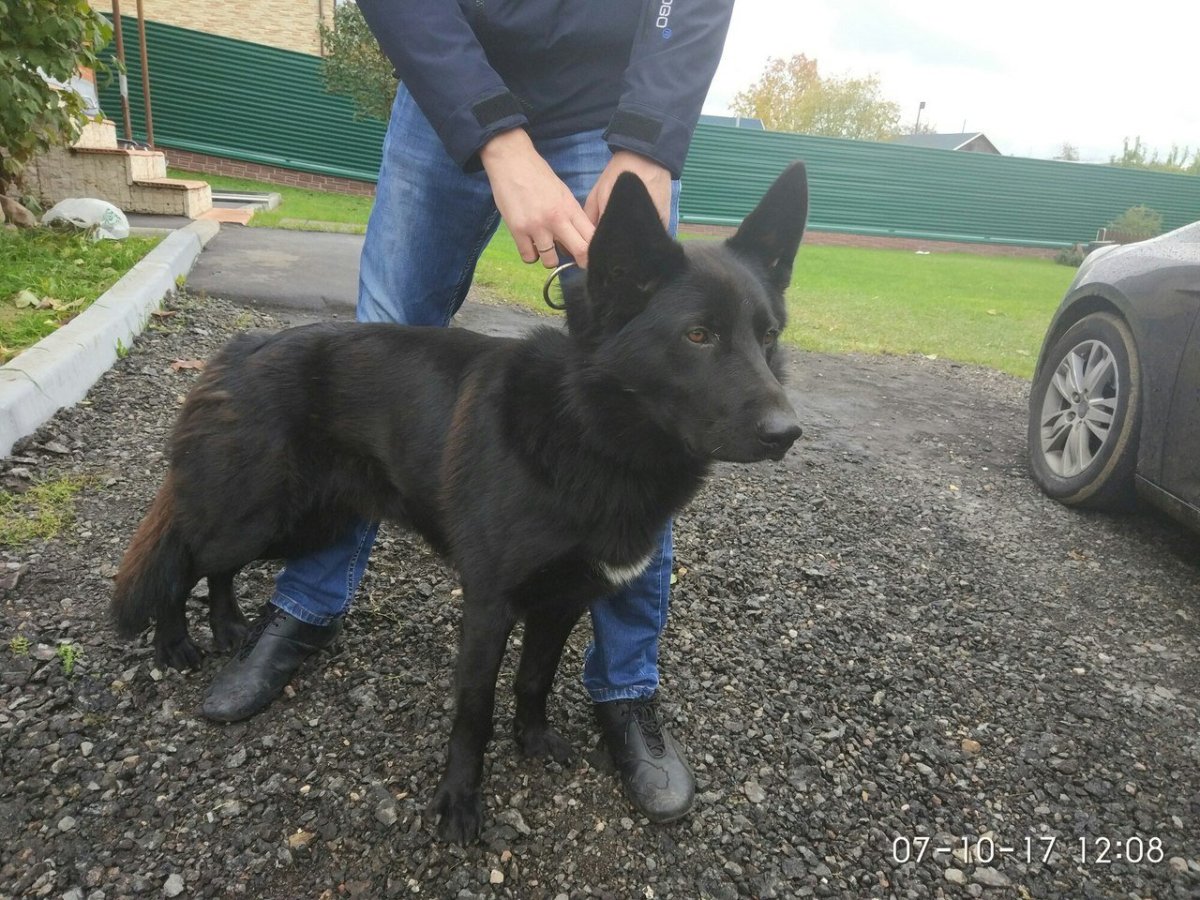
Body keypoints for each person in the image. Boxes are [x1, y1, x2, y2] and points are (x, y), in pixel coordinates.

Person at [202, 0, 736, 824]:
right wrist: (492, 131)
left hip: (614, 104)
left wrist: (650, 141)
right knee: (377, 337)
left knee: (652, 404)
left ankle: (625, 687)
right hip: (450, 82)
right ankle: (307, 604)